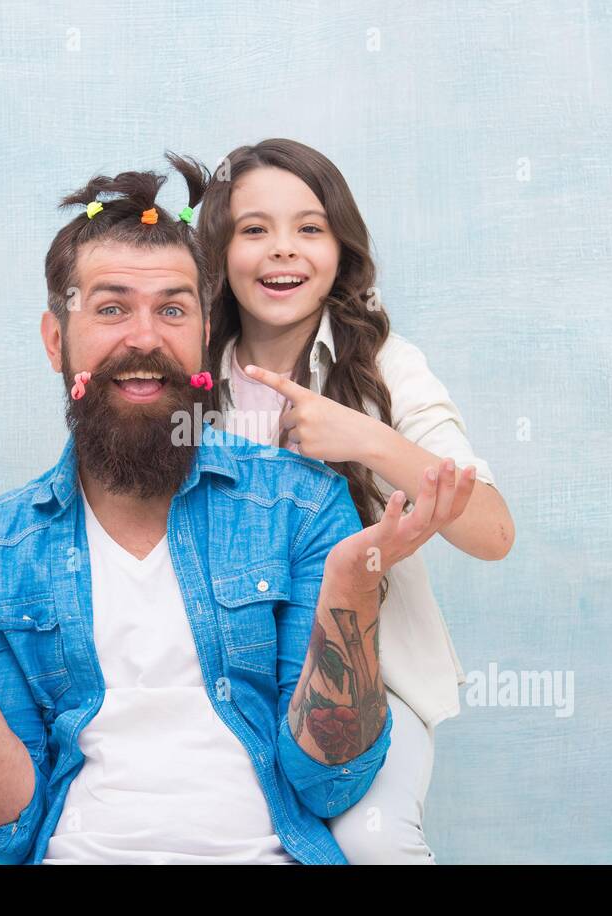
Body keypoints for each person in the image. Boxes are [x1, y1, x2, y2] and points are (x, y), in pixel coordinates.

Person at [0, 154, 474, 864]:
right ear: (57, 341)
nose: (145, 338)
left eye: (172, 309)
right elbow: (1, 825)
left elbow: (330, 782)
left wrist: (351, 589)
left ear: (205, 335)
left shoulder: (301, 505)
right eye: (111, 308)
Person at [196, 138, 515, 863]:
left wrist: (366, 437)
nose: (284, 252)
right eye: (255, 230)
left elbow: (493, 531)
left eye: (310, 229)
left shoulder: (386, 365)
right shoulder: (191, 368)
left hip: (364, 677)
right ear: (218, 248)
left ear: (342, 249)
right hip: (225, 674)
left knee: (370, 840)